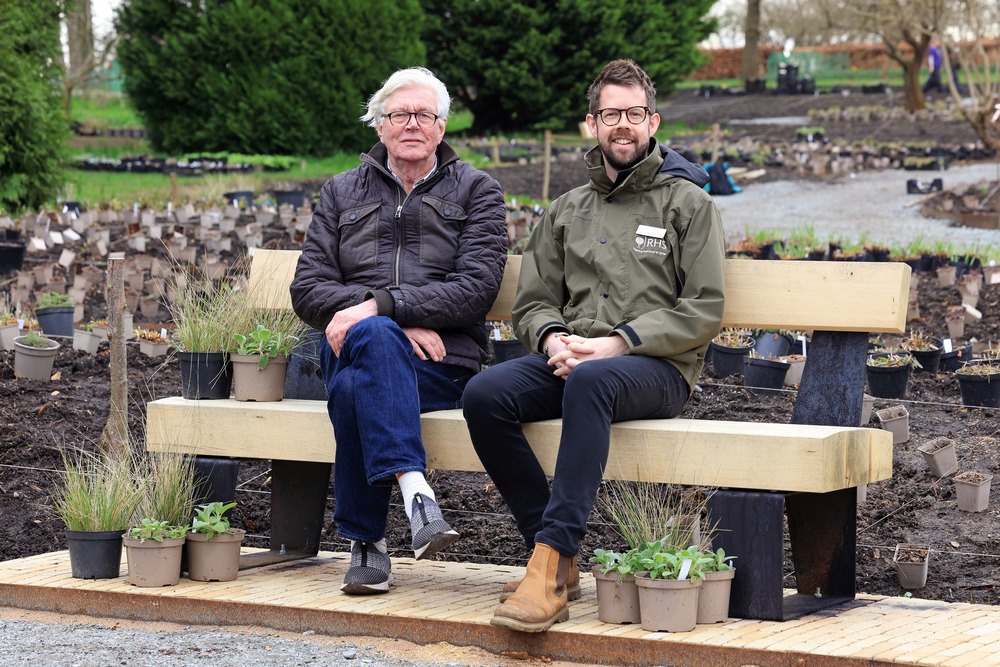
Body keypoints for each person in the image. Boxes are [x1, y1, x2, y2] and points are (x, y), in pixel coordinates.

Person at [462, 59, 726, 633]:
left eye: (634, 113)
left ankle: (552, 559)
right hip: (576, 363)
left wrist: (619, 343)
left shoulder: (688, 205)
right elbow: (532, 302)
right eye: (611, 114)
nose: (623, 125)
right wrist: (554, 338)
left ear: (652, 121)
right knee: (484, 394)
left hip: (654, 370)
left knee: (592, 379)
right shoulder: (566, 210)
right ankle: (551, 553)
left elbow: (704, 309)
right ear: (592, 124)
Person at [290, 67, 508, 596]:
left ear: (441, 126)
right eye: (399, 114)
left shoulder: (479, 191)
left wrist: (381, 308)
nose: (412, 123)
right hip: (359, 347)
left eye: (424, 115)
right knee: (373, 346)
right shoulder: (342, 191)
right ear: (380, 126)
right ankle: (415, 491)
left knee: (350, 388)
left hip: (442, 364)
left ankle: (367, 545)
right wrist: (389, 319)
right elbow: (308, 288)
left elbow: (475, 289)